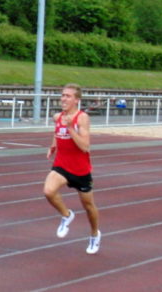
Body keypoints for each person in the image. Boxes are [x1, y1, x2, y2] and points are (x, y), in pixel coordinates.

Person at [44, 83, 101, 254]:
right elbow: (57, 132)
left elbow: (85, 146)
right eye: (63, 95)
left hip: (80, 170)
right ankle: (67, 215)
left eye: (68, 96)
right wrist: (53, 146)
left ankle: (94, 235)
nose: (63, 99)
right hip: (62, 164)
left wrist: (70, 128)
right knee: (48, 191)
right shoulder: (57, 117)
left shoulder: (82, 118)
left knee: (89, 207)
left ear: (76, 100)